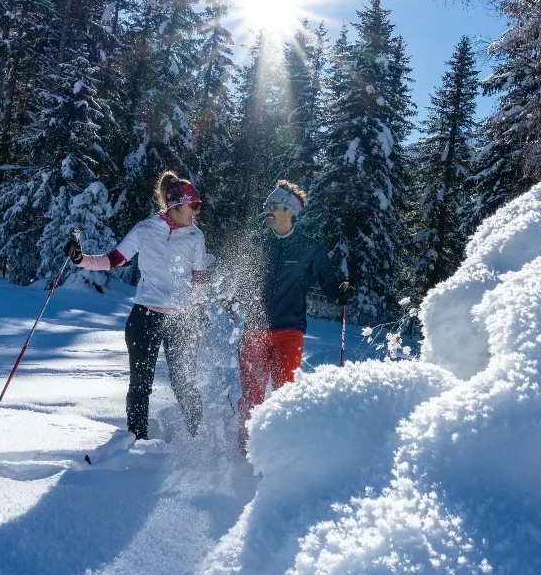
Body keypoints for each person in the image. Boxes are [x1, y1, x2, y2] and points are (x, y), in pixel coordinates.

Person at [65, 171, 207, 440]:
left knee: (184, 383)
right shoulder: (145, 229)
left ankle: (198, 438)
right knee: (141, 384)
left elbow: (199, 276)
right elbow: (114, 259)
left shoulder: (195, 236)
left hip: (180, 320)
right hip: (145, 315)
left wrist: (198, 309)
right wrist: (81, 259)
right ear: (177, 204)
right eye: (194, 205)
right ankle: (136, 441)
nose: (196, 211)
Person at [235, 180, 355, 451]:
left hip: (289, 330)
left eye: (273, 206)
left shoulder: (310, 248)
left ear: (289, 212)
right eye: (266, 205)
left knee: (284, 392)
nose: (267, 210)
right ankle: (245, 449)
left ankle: (280, 450)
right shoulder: (257, 243)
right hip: (254, 329)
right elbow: (241, 281)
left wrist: (340, 293)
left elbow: (328, 282)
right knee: (252, 394)